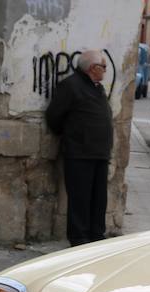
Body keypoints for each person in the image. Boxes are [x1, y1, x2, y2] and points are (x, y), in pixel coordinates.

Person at [45, 50, 113, 246]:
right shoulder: (71, 86)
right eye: (104, 67)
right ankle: (79, 239)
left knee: (98, 199)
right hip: (80, 153)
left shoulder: (96, 86)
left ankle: (96, 236)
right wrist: (74, 137)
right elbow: (54, 117)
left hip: (99, 154)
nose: (106, 71)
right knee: (80, 200)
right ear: (93, 68)